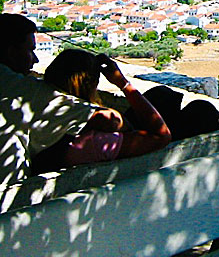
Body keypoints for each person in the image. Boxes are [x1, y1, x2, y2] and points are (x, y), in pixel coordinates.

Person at [0, 14, 126, 197]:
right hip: (4, 207)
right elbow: (112, 121)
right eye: (30, 50)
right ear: (11, 51)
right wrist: (122, 84)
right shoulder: (28, 91)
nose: (35, 60)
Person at [32, 49, 171, 172]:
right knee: (166, 97)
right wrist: (123, 83)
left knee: (161, 95)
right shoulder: (93, 142)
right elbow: (161, 136)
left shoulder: (35, 111)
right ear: (92, 84)